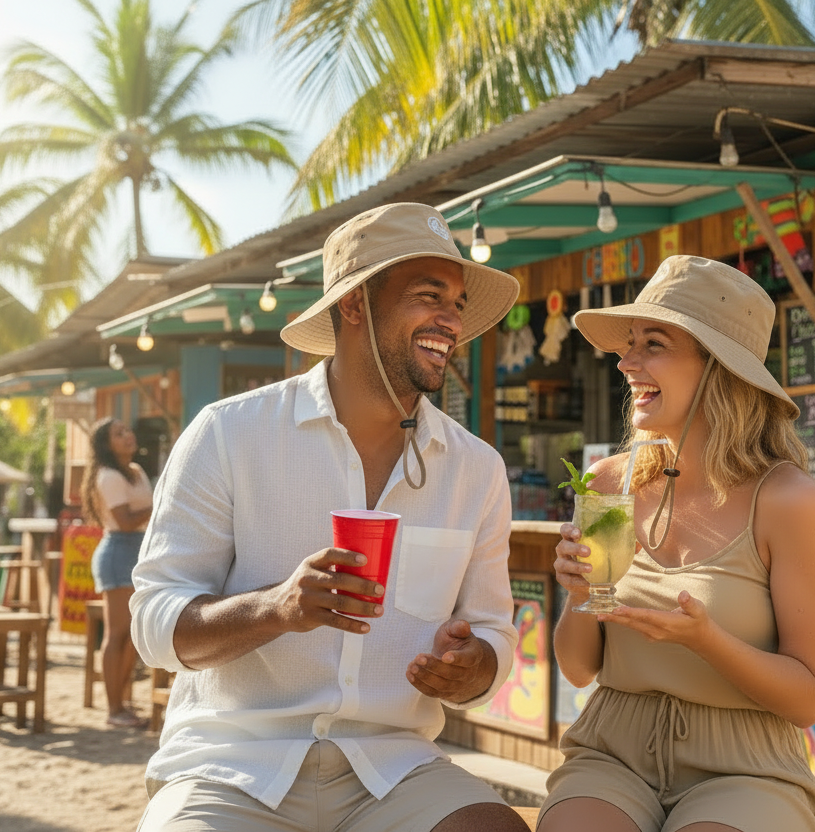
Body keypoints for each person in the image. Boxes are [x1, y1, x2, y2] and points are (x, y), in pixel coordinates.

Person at [131, 203, 529, 832]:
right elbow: (154, 628)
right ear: (354, 306)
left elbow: (493, 632)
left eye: (456, 302)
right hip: (234, 765)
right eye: (429, 296)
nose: (452, 320)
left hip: (394, 767)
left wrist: (473, 666)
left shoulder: (475, 469)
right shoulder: (229, 434)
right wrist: (275, 608)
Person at [540, 256, 815, 832]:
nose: (626, 362)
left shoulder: (789, 501)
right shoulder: (608, 485)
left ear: (720, 369)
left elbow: (809, 699)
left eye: (653, 344)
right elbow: (579, 668)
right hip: (613, 748)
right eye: (629, 344)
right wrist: (581, 593)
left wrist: (708, 641)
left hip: (746, 766)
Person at [81, 417, 154, 729]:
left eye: (127, 430)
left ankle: (123, 703)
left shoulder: (135, 471)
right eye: (118, 433)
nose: (128, 435)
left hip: (139, 551)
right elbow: (124, 522)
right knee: (117, 634)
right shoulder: (108, 475)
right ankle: (114, 708)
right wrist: (160, 502)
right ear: (105, 445)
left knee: (134, 635)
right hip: (118, 551)